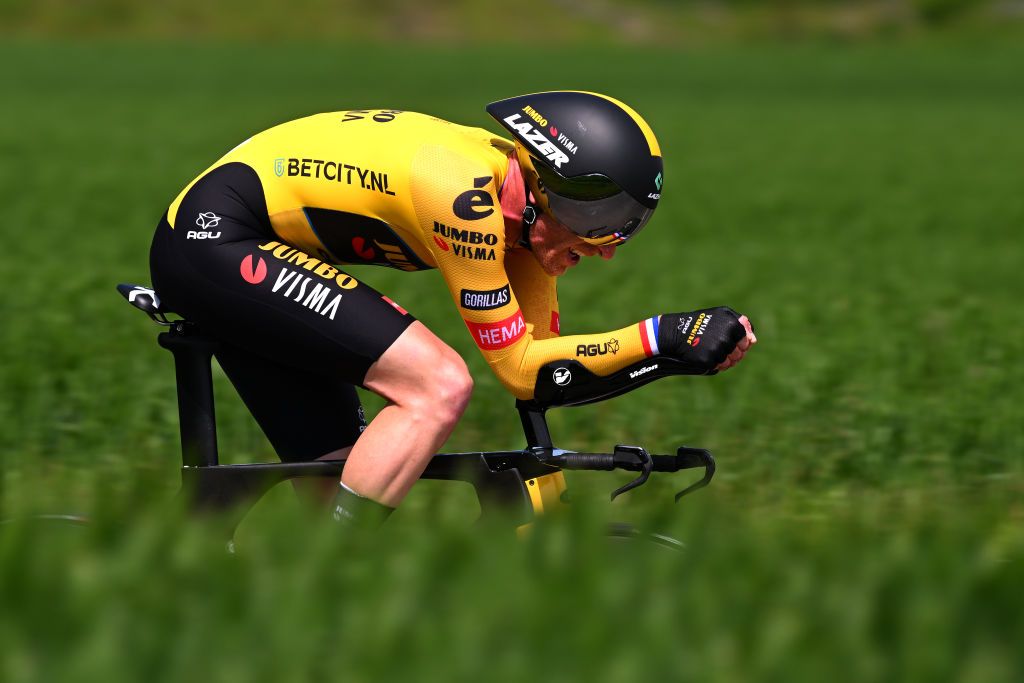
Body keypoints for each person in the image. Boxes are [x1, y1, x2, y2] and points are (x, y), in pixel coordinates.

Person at [149, 91, 757, 526]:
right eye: (595, 219)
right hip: (214, 240)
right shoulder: (462, 196)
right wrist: (661, 335)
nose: (603, 248)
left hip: (256, 249)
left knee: (343, 478)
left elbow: (538, 378)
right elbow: (518, 369)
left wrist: (676, 353)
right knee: (436, 386)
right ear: (544, 180)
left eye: (622, 225)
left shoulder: (527, 222)